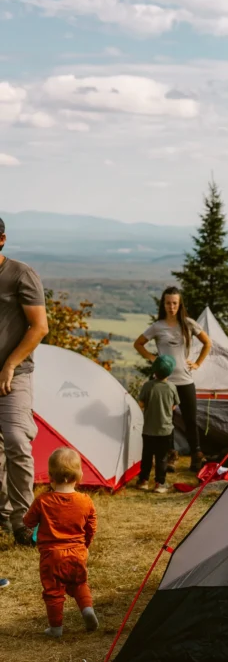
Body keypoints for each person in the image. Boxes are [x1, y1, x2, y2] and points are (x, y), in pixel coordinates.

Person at [0, 216, 49, 544]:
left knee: (17, 441)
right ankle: (3, 515)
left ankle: (23, 521)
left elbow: (40, 327)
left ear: (1, 240)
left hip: (13, 375)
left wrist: (10, 365)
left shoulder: (20, 274)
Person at [133, 287, 211, 472]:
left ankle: (196, 455)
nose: (171, 307)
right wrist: (153, 358)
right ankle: (171, 455)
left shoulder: (188, 324)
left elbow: (207, 343)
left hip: (185, 380)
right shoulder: (157, 326)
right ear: (163, 304)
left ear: (180, 304)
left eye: (175, 303)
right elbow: (138, 344)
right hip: (164, 382)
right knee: (167, 420)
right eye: (168, 303)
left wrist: (197, 363)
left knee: (190, 419)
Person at [23, 447, 98, 639]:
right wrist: (85, 545)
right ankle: (87, 609)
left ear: (50, 476)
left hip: (51, 556)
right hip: (77, 553)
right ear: (79, 475)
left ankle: (56, 628)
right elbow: (91, 527)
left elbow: (28, 522)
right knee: (79, 584)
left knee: (54, 591)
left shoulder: (43, 501)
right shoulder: (85, 501)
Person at [136, 355, 179, 494]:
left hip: (148, 429)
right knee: (162, 458)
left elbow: (140, 404)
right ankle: (160, 484)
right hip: (165, 430)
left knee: (147, 456)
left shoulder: (148, 386)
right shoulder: (172, 387)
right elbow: (174, 406)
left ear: (154, 371)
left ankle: (143, 481)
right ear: (170, 372)